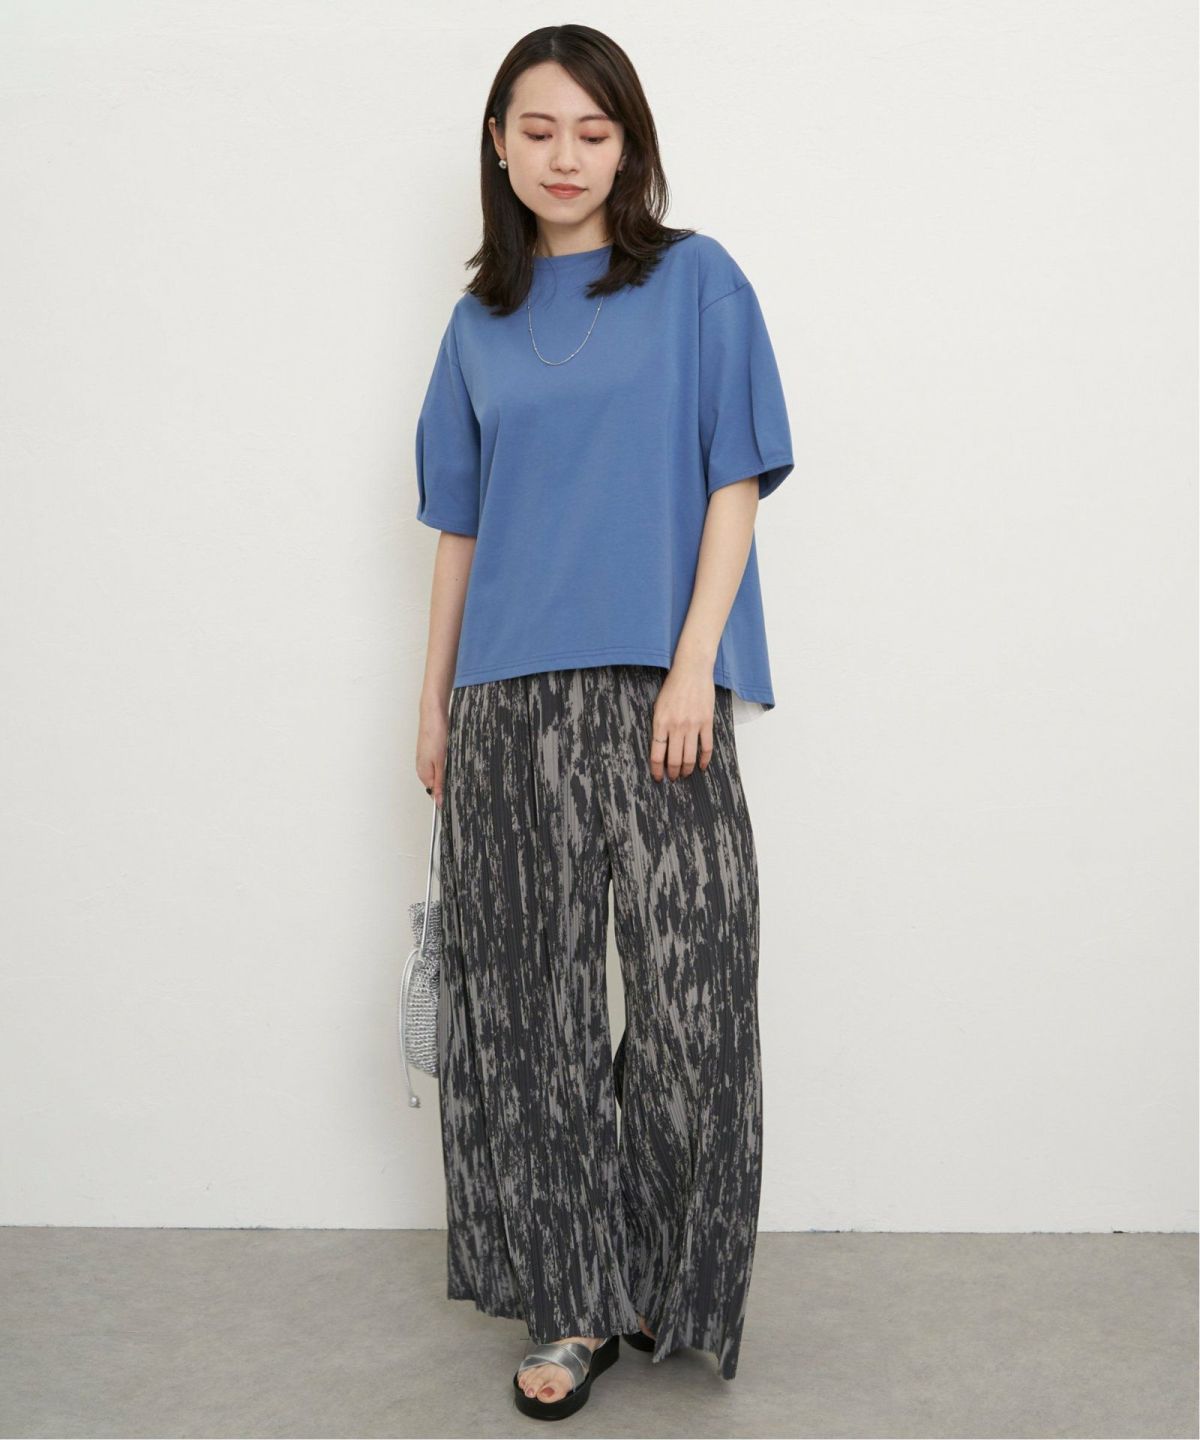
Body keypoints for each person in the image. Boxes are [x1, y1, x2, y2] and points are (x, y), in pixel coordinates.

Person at [413, 24, 794, 1422]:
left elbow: (734, 479)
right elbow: (459, 528)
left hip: (661, 690)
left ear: (628, 144)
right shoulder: (476, 325)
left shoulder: (698, 282)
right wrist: (433, 698)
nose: (563, 155)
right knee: (536, 1018)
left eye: (592, 129)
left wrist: (696, 667)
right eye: (537, 129)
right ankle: (573, 1304)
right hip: (506, 703)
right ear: (499, 145)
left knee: (698, 1002)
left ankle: (654, 1277)